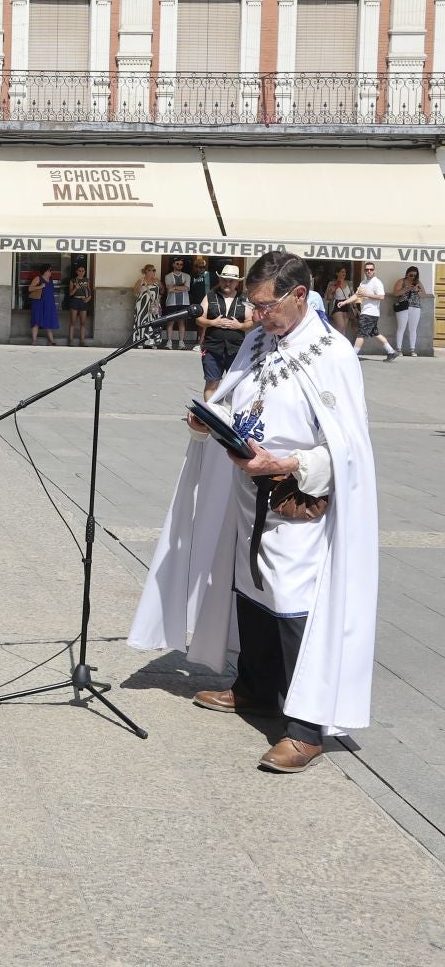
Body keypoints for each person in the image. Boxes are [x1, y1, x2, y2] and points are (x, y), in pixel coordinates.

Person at [130, 250, 379, 774]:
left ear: (297, 295)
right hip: (249, 486)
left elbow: (348, 448)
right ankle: (255, 689)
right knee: (252, 586)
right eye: (253, 305)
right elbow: (237, 392)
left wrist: (289, 461)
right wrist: (211, 419)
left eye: (266, 306)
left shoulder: (332, 354)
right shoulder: (260, 338)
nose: (258, 316)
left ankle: (307, 726)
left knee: (292, 599)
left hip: (295, 492)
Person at [192, 263, 253, 400]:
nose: (227, 283)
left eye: (231, 280)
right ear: (219, 280)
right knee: (212, 383)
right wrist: (213, 322)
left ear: (237, 282)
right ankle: (211, 417)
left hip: (236, 349)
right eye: (224, 279)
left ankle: (231, 417)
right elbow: (198, 319)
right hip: (213, 348)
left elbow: (252, 322)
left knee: (237, 384)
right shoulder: (210, 297)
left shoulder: (244, 299)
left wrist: (239, 326)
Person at [342, 261, 397, 361]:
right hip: (367, 313)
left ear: (374, 271)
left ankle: (353, 356)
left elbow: (381, 296)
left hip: (370, 313)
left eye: (371, 269)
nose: (369, 271)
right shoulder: (363, 282)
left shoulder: (377, 282)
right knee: (375, 333)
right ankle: (391, 351)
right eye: (367, 269)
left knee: (360, 334)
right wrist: (345, 302)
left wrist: (367, 294)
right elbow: (357, 295)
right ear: (364, 271)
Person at [392, 266, 426, 357]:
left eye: (415, 275)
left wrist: (417, 290)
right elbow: (395, 293)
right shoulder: (401, 281)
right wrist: (406, 288)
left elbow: (424, 295)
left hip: (415, 307)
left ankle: (412, 349)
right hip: (403, 307)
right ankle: (398, 349)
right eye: (411, 275)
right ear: (407, 274)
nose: (413, 277)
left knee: (413, 329)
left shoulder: (418, 282)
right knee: (401, 328)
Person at [163, 257, 193, 349]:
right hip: (171, 302)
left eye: (181, 264)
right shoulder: (168, 276)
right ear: (173, 264)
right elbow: (170, 289)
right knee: (170, 322)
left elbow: (187, 288)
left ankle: (181, 343)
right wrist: (181, 287)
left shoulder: (187, 276)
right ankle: (169, 342)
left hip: (184, 302)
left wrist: (175, 287)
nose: (179, 266)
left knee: (181, 323)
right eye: (177, 264)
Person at [27, 263, 60, 346]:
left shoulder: (51, 280)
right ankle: (34, 341)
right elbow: (30, 288)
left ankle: (51, 340)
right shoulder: (38, 278)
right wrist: (40, 286)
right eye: (50, 270)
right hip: (38, 303)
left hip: (49, 304)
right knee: (36, 321)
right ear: (45, 271)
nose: (51, 272)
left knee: (49, 322)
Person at [133, 263, 162, 346]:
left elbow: (162, 290)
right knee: (141, 322)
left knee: (154, 323)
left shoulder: (157, 281)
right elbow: (135, 293)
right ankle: (140, 342)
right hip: (142, 306)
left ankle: (153, 343)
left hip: (154, 306)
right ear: (146, 271)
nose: (153, 272)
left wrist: (158, 298)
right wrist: (141, 289)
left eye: (154, 270)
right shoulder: (140, 281)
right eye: (151, 270)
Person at [64, 262, 92, 347]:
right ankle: (70, 340)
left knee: (83, 323)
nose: (81, 272)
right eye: (79, 271)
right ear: (77, 271)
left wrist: (88, 298)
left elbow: (89, 292)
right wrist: (76, 287)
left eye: (83, 271)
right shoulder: (73, 281)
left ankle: (82, 341)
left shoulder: (87, 280)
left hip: (83, 301)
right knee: (73, 322)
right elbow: (70, 293)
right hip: (75, 300)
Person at [324, 268, 354, 340]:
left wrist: (355, 307)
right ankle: (333, 342)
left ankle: (342, 346)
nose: (344, 273)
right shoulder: (332, 283)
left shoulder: (349, 283)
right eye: (342, 272)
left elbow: (353, 295)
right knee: (341, 326)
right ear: (337, 273)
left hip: (347, 306)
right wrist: (332, 291)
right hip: (337, 305)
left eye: (345, 272)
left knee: (344, 330)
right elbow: (328, 298)